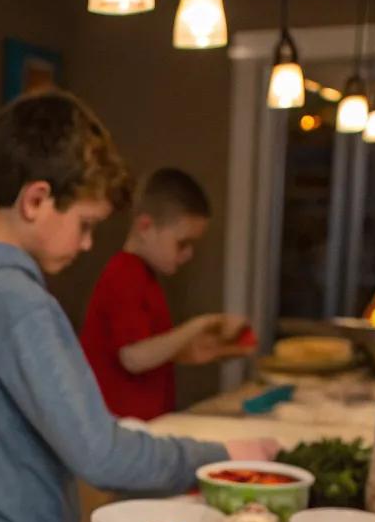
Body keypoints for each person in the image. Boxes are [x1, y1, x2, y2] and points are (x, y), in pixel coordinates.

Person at [0, 91, 275, 522]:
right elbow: (99, 454)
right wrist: (222, 456)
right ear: (36, 200)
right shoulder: (19, 304)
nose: (87, 245)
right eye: (85, 223)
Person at [81, 167, 255, 421]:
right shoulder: (123, 274)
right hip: (117, 428)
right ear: (145, 226)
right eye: (182, 243)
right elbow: (133, 357)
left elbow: (156, 353)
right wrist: (199, 324)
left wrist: (215, 350)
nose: (188, 254)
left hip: (143, 426)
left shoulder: (145, 276)